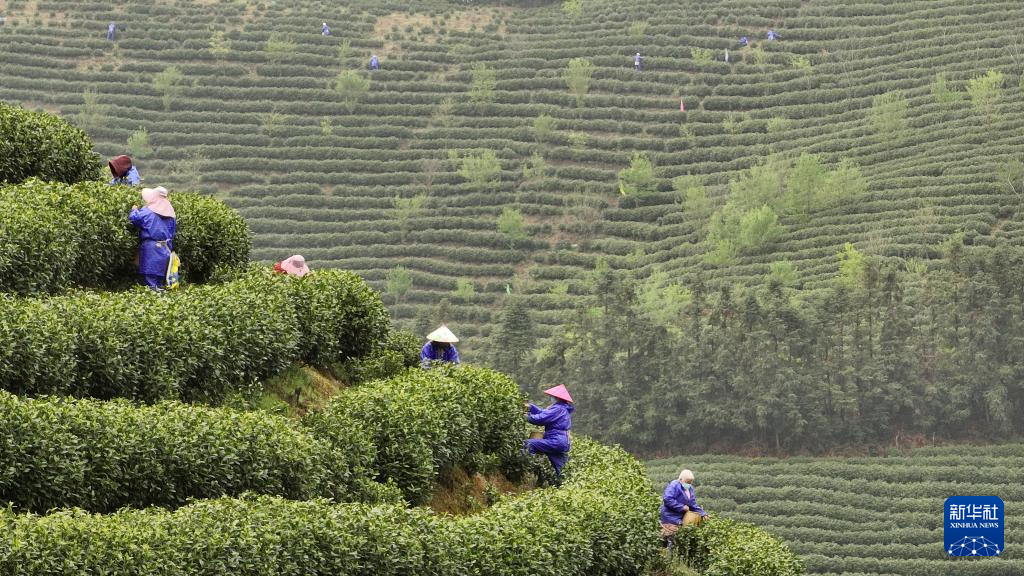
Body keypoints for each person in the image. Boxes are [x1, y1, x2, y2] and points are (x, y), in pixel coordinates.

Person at [524, 384, 575, 481]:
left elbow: (540, 419)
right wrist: (531, 407)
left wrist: (526, 416)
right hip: (563, 441)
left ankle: (523, 468)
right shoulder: (562, 408)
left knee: (529, 444)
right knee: (563, 470)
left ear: (557, 398)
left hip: (556, 440)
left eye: (552, 396)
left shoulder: (558, 409)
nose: (550, 398)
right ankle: (567, 483)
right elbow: (544, 413)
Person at [129, 186, 176, 290]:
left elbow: (135, 218)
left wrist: (134, 210)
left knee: (150, 277)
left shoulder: (148, 211)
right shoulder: (171, 214)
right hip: (165, 248)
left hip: (151, 247)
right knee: (161, 276)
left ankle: (153, 294)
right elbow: (172, 232)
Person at [659, 468, 707, 551]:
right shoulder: (674, 485)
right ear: (681, 479)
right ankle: (668, 556)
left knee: (675, 542)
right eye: (687, 482)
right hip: (669, 517)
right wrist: (681, 507)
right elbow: (667, 499)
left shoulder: (690, 489)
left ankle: (670, 555)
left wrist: (703, 513)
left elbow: (692, 504)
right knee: (670, 540)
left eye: (690, 482)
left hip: (680, 519)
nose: (689, 484)